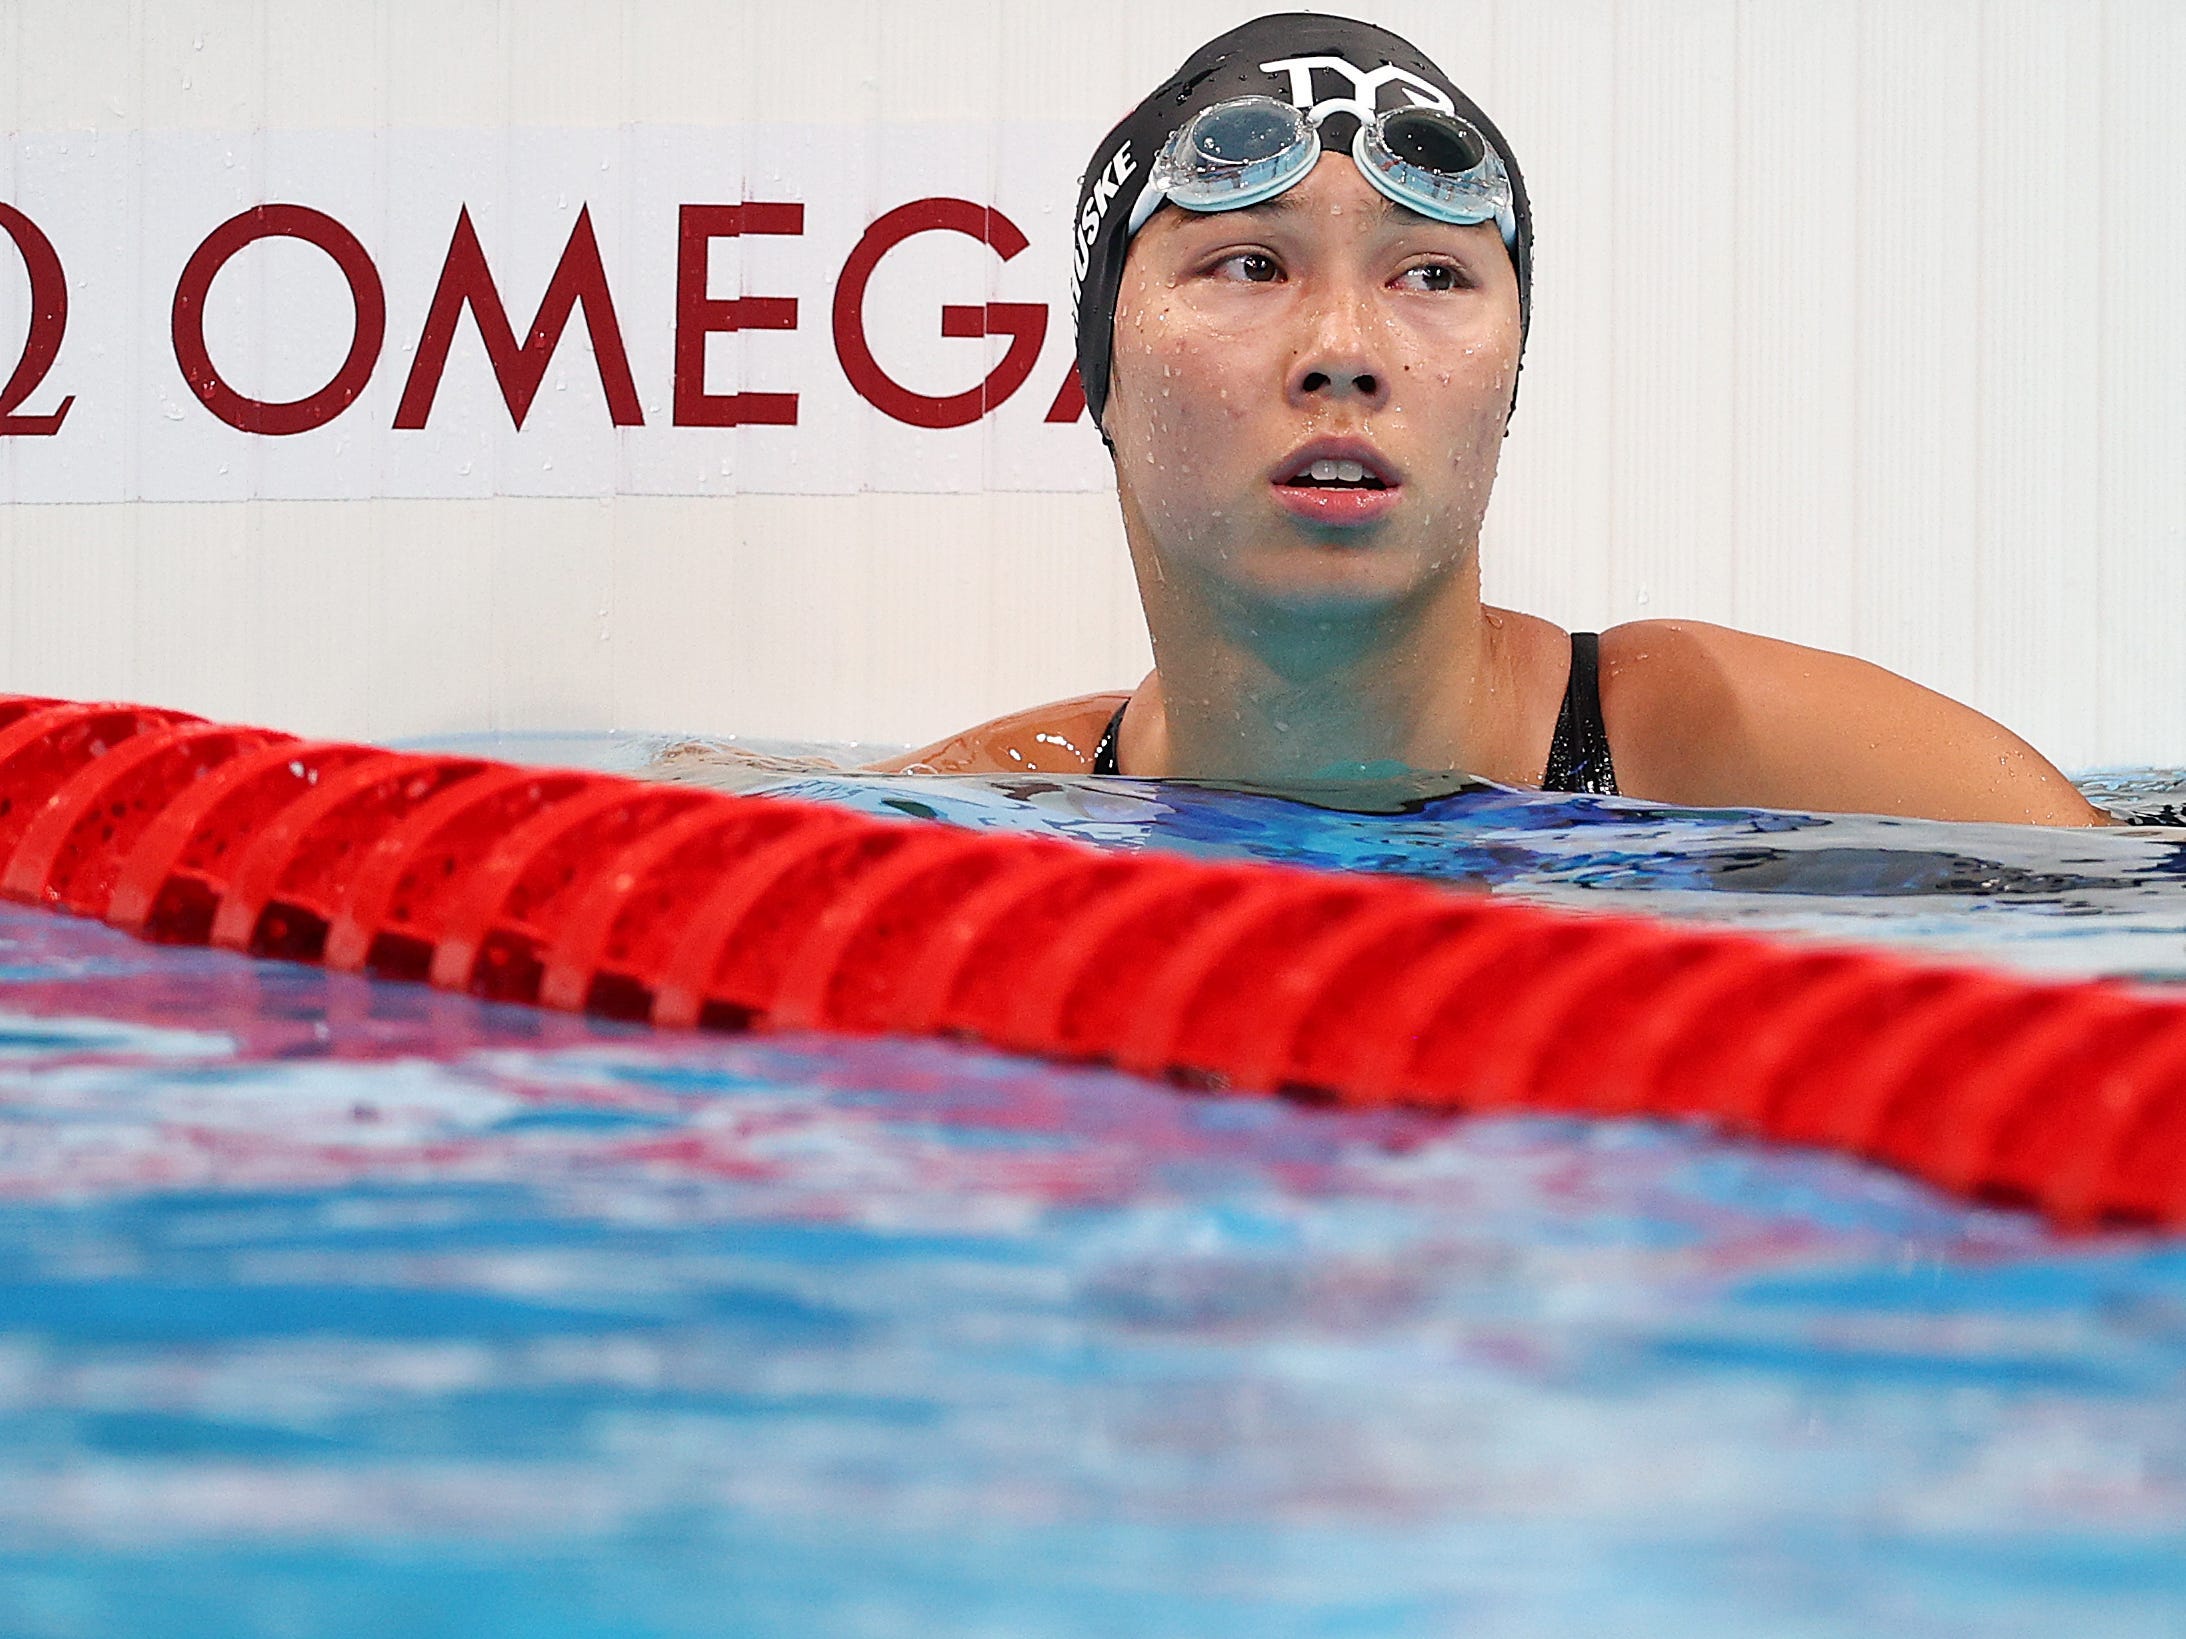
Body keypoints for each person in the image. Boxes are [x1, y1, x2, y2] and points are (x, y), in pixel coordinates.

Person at [880, 13, 2105, 827]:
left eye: (1429, 276)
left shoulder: (1726, 756)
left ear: (1507, 384)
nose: (1344, 355)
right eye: (1249, 266)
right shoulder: (993, 817)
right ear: (1095, 372)